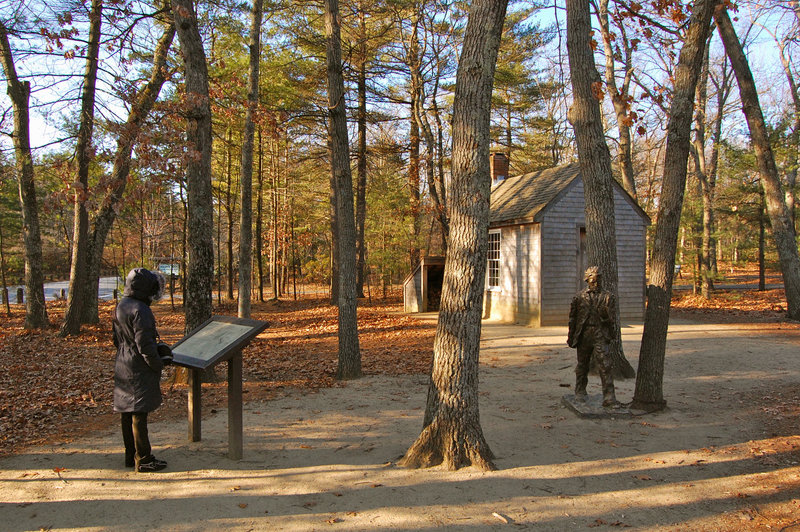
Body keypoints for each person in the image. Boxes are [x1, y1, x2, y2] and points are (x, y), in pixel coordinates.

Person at [112, 268, 170, 472]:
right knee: (138, 413)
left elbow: (116, 339)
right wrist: (157, 363)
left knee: (127, 412)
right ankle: (144, 459)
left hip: (123, 362)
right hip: (138, 366)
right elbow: (145, 345)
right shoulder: (141, 310)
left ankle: (131, 455)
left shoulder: (121, 305)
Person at [567, 266, 618, 407]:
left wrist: (606, 318)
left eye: (598, 281)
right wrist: (571, 337)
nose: (596, 284)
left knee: (605, 365)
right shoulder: (579, 297)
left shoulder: (608, 297)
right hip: (584, 334)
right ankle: (580, 391)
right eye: (593, 281)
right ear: (587, 280)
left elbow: (613, 319)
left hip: (600, 333)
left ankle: (609, 396)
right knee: (582, 364)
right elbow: (572, 318)